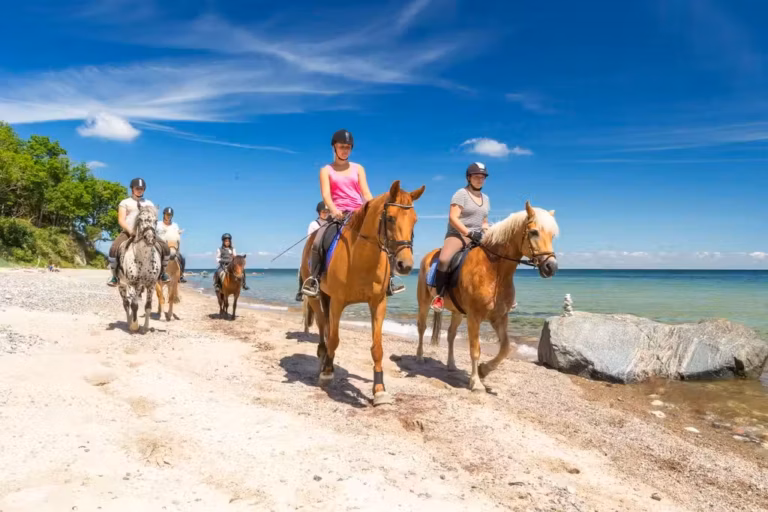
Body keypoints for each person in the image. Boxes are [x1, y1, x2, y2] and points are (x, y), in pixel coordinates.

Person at [301, 128, 409, 298]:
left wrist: (374, 208)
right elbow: (326, 195)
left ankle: (389, 280)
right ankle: (314, 279)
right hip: (337, 214)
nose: (345, 150)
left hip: (359, 213)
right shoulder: (326, 170)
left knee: (384, 236)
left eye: (348, 147)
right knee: (318, 240)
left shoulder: (358, 168)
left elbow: (366, 193)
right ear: (334, 147)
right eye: (342, 146)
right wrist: (335, 210)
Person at [430, 162, 491, 312]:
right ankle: (439, 296)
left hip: (479, 236)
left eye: (482, 177)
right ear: (469, 178)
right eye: (476, 176)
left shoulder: (486, 198)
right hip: (458, 234)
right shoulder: (461, 194)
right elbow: (453, 218)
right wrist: (469, 233)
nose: (480, 179)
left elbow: (483, 221)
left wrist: (488, 231)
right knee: (444, 259)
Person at [107, 177, 171, 287]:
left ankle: (162, 273)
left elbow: (153, 218)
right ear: (132, 189)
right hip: (128, 232)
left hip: (147, 232)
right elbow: (121, 220)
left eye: (142, 188)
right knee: (113, 249)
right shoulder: (125, 202)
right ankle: (114, 276)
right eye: (137, 188)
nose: (139, 190)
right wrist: (130, 230)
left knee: (165, 248)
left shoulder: (149, 203)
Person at [295, 201, 331, 301]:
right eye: (324, 212)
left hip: (328, 247)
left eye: (327, 211)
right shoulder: (314, 224)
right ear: (319, 213)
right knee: (302, 266)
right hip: (316, 248)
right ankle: (301, 289)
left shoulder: (331, 223)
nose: (326, 213)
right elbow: (310, 241)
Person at [156, 206, 187, 283]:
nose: (168, 216)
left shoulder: (175, 225)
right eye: (167, 214)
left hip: (172, 246)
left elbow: (177, 235)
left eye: (170, 215)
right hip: (160, 245)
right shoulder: (158, 224)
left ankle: (181, 275)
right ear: (164, 214)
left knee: (182, 258)